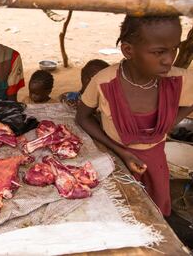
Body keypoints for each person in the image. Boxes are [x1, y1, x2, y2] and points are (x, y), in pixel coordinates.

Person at [76, 15, 193, 217]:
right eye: (159, 52)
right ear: (128, 50)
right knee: (121, 214)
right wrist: (120, 151)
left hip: (156, 163)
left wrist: (170, 122)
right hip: (115, 162)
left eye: (174, 48)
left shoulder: (180, 80)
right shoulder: (104, 82)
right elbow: (83, 117)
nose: (169, 59)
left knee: (155, 215)